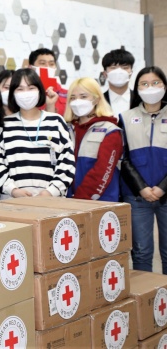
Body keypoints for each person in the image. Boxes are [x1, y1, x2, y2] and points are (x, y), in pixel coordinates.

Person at [0, 68, 75, 199]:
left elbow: (67, 161)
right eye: (20, 89)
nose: (26, 93)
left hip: (51, 201)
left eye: (31, 88)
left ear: (40, 91)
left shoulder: (56, 121)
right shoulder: (4, 125)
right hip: (12, 201)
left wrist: (51, 191)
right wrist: (12, 190)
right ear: (13, 94)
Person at [119, 66, 167, 274]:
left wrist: (162, 187)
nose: (150, 88)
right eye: (144, 84)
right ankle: (147, 294)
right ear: (137, 89)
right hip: (137, 197)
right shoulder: (125, 117)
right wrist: (142, 188)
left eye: (156, 83)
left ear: (165, 86)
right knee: (141, 252)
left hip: (166, 194)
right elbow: (123, 159)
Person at [63, 78, 122, 201]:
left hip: (100, 201)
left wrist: (81, 197)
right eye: (73, 98)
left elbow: (103, 170)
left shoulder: (110, 130)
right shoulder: (66, 129)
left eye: (83, 96)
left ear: (96, 99)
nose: (77, 101)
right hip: (67, 200)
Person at [29, 48, 67, 115]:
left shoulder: (67, 94)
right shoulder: (24, 93)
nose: (47, 66)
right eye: (42, 63)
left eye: (51, 64)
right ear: (31, 67)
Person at [102, 48, 135, 116]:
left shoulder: (140, 100)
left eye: (125, 68)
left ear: (131, 73)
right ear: (105, 74)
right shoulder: (99, 101)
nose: (119, 72)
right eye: (113, 68)